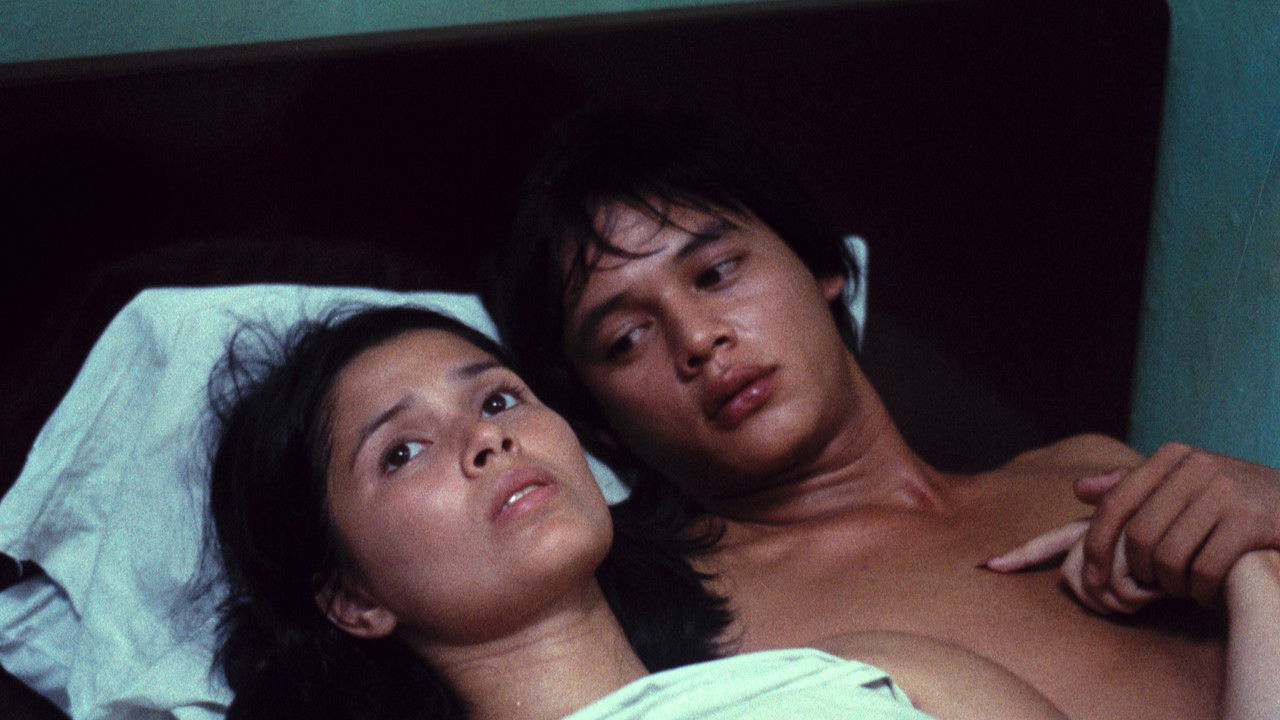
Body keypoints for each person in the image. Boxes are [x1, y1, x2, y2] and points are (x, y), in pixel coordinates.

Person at [481, 105, 1280, 720]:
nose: (697, 339)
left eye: (718, 272)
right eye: (626, 340)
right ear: (600, 423)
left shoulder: (1088, 471)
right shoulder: (677, 630)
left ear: (822, 266)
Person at [204, 304, 1077, 720]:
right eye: (402, 451)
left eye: (499, 400)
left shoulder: (869, 671)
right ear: (352, 597)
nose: (485, 440)